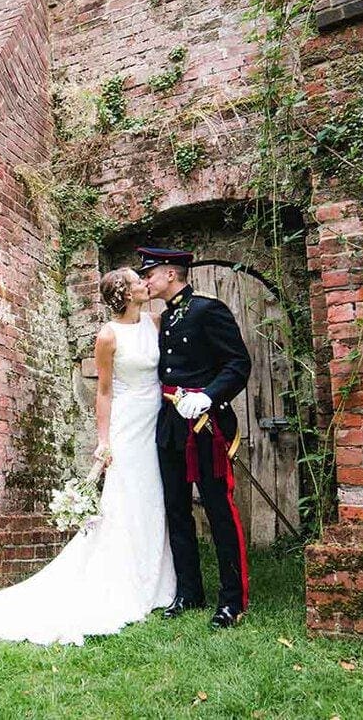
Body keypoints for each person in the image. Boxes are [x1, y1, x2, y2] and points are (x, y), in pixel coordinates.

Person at [0, 268, 176, 645]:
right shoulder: (107, 335)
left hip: (157, 418)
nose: (145, 283)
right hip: (128, 425)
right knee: (129, 497)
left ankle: (160, 579)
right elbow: (104, 392)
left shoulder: (154, 321)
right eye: (137, 281)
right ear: (124, 293)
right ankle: (123, 581)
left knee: (154, 497)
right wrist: (103, 440)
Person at [137, 247, 252, 629]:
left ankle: (232, 600)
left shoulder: (207, 310)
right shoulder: (166, 318)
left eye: (150, 274)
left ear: (171, 273)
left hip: (206, 423)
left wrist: (208, 395)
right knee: (176, 508)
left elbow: (238, 364)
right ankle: (189, 590)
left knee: (219, 509)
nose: (145, 281)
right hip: (172, 423)